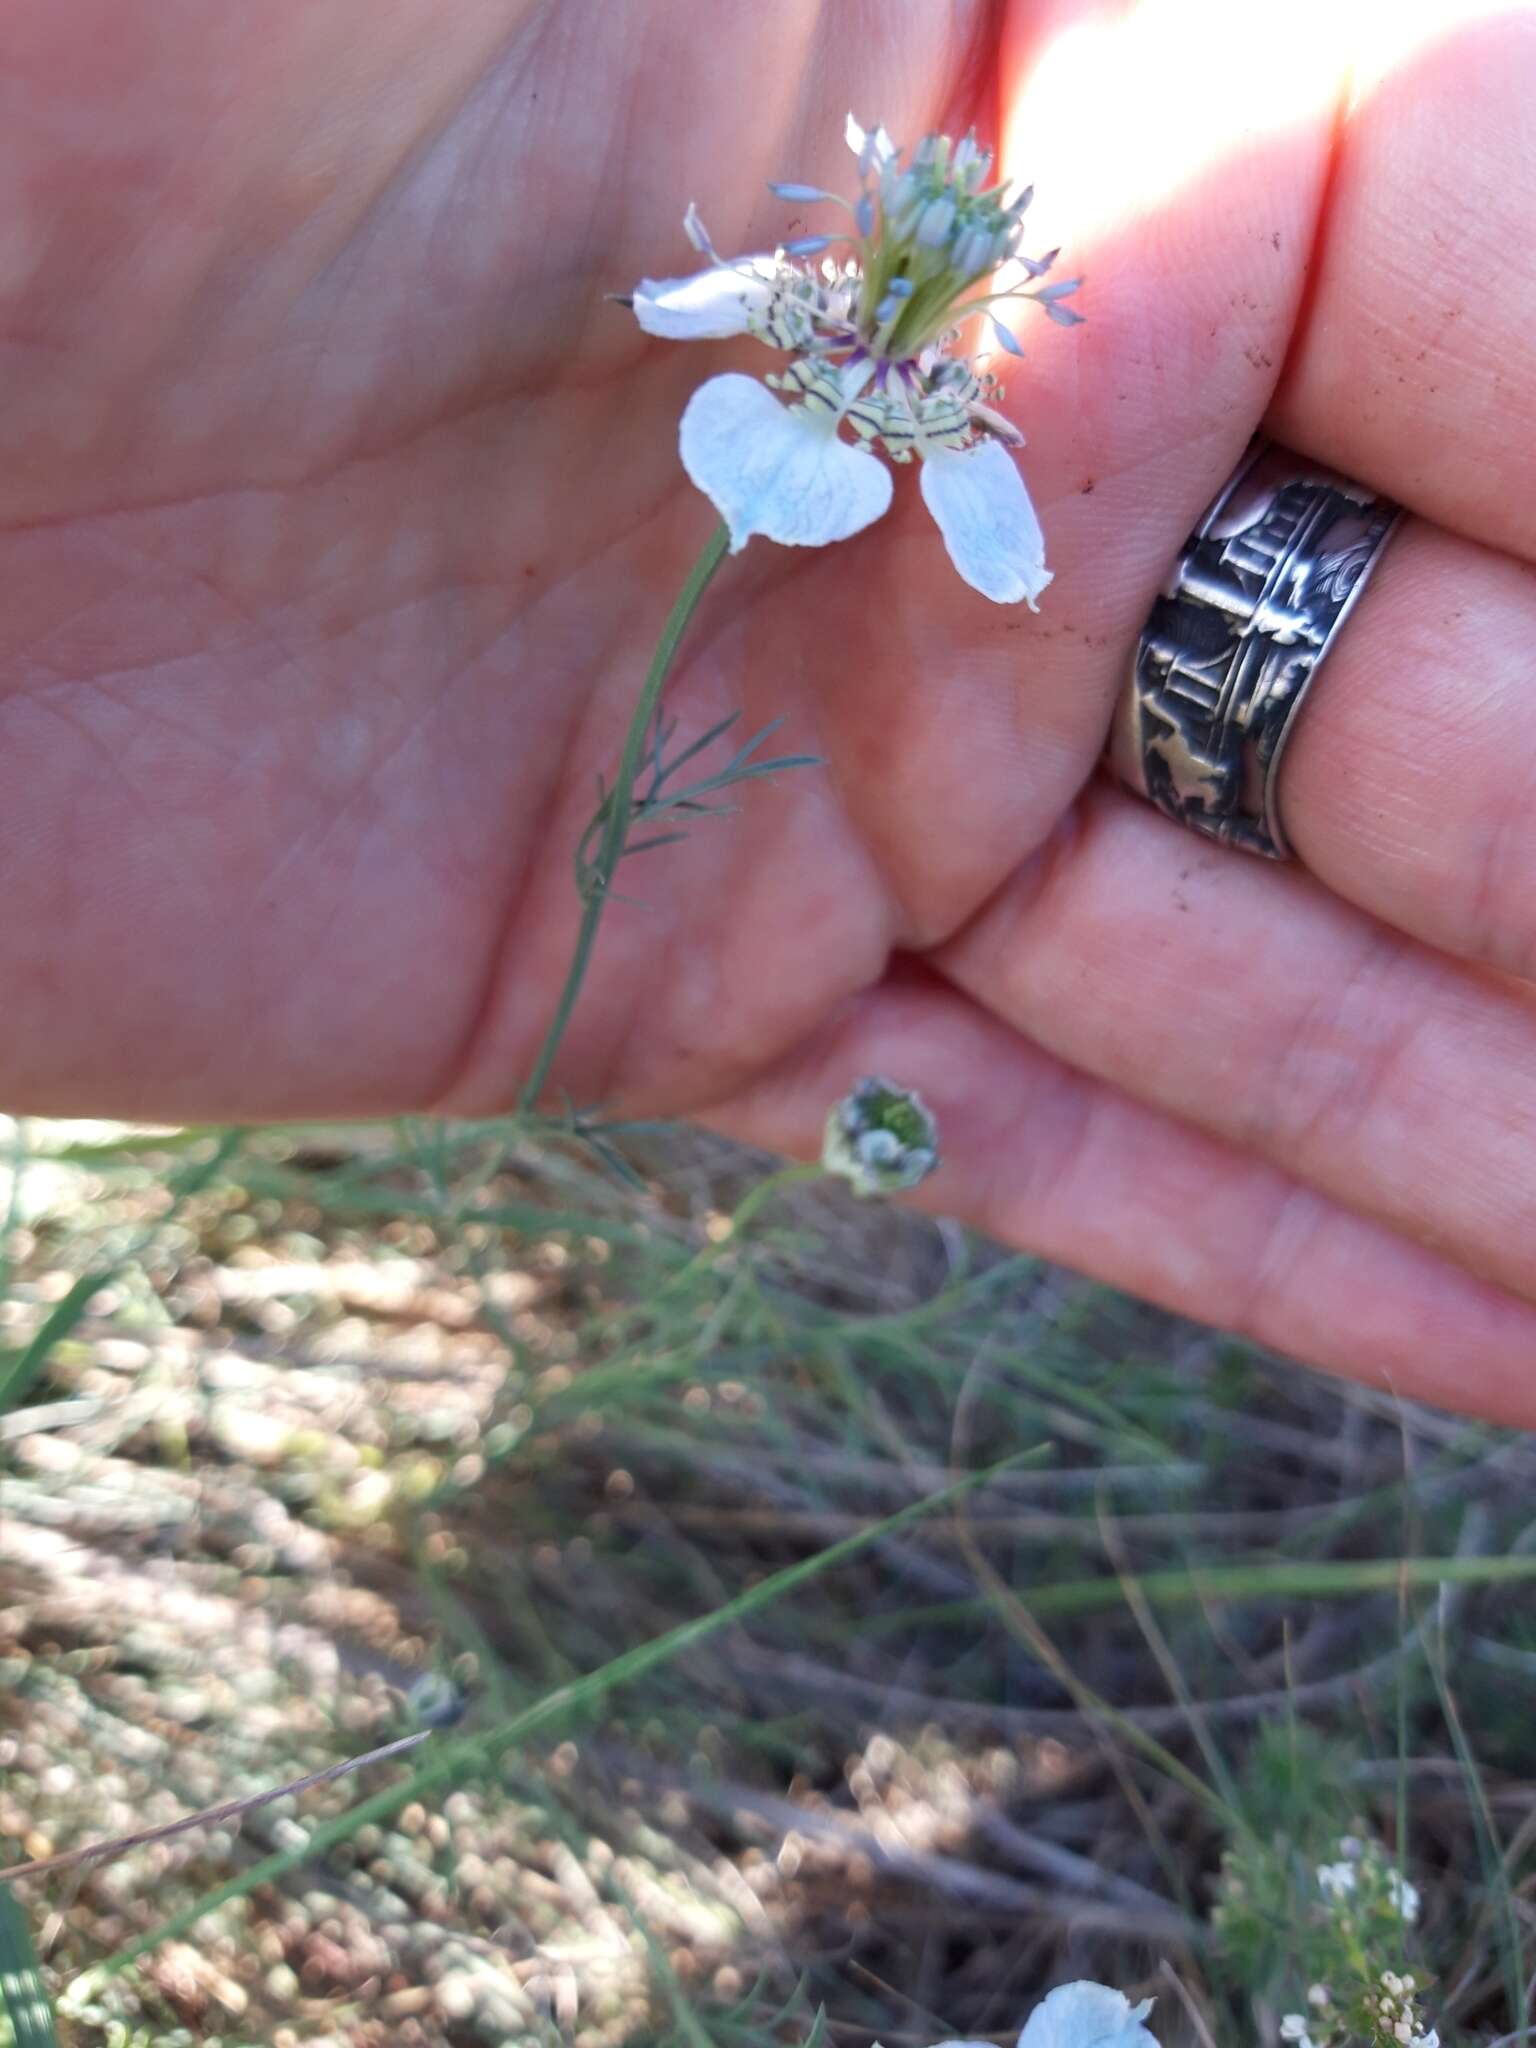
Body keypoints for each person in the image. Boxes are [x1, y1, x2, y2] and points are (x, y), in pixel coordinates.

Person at [1, 0, 1532, 1418]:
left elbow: (1003, 547)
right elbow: (686, 313)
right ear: (890, 260)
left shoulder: (932, 392)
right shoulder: (791, 310)